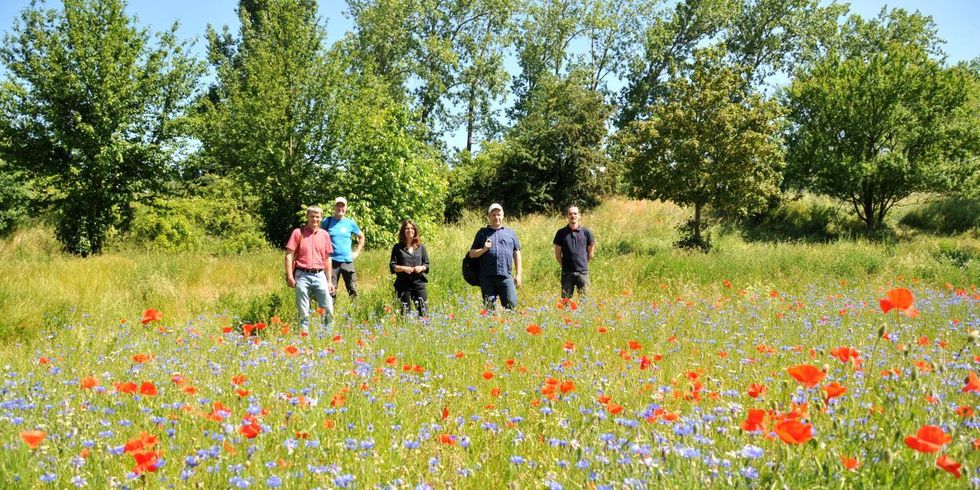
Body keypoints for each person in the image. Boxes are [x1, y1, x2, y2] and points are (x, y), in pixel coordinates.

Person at [284, 206, 335, 333]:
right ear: (307, 216)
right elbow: (289, 255)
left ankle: (327, 336)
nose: (315, 219)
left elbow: (328, 259)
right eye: (312, 216)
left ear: (321, 218)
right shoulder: (298, 233)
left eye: (317, 216)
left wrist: (329, 281)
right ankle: (304, 336)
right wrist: (290, 276)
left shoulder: (325, 235)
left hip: (320, 275)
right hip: (302, 275)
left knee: (328, 308)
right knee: (303, 310)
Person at [468, 203, 522, 310]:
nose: (496, 217)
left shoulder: (510, 233)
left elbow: (517, 253)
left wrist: (519, 275)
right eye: (493, 215)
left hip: (506, 277)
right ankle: (491, 327)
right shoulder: (482, 233)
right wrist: (484, 249)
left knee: (511, 306)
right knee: (489, 310)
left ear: (503, 216)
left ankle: (509, 326)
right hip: (487, 278)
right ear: (489, 217)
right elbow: (471, 253)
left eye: (498, 214)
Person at [322, 197, 365, 303]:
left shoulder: (350, 223)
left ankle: (354, 313)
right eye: (338, 205)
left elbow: (361, 236)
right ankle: (330, 314)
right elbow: (319, 237)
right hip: (331, 261)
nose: (340, 208)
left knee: (352, 289)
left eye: (343, 205)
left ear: (346, 208)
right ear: (334, 207)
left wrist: (357, 252)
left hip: (347, 260)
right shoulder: (327, 221)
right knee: (330, 290)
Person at [389, 219, 430, 316]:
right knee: (405, 312)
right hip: (403, 284)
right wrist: (404, 268)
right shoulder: (397, 247)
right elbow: (392, 266)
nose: (409, 230)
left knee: (423, 311)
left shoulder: (421, 247)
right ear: (403, 231)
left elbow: (427, 264)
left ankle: (424, 329)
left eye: (412, 228)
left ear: (415, 231)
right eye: (407, 228)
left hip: (418, 282)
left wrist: (421, 268)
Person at [553, 205, 595, 298]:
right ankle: (566, 314)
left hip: (583, 273)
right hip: (567, 273)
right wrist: (564, 265)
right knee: (565, 301)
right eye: (570, 214)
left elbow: (591, 252)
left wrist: (583, 263)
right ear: (567, 216)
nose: (573, 216)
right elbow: (557, 254)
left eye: (575, 213)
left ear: (579, 215)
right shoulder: (561, 233)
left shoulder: (586, 232)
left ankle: (584, 313)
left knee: (585, 301)